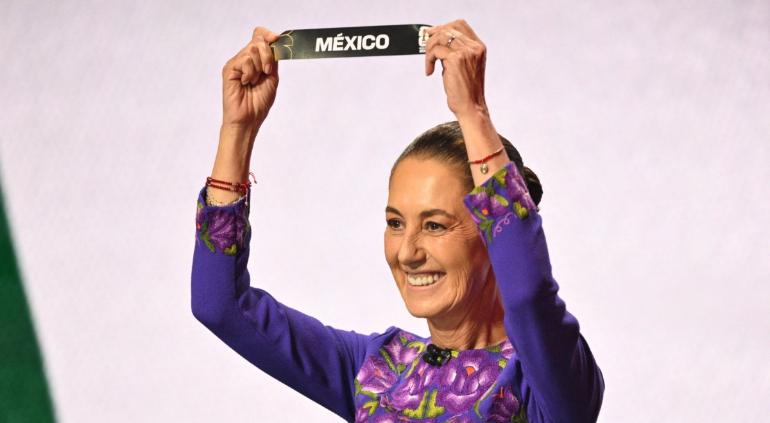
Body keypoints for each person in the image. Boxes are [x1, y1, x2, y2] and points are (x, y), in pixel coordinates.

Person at [191, 20, 604, 422]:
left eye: (435, 225)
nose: (407, 253)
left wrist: (473, 113)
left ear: (492, 231)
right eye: (395, 223)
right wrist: (238, 130)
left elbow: (529, 297)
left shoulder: (547, 383)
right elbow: (221, 305)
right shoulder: (378, 371)